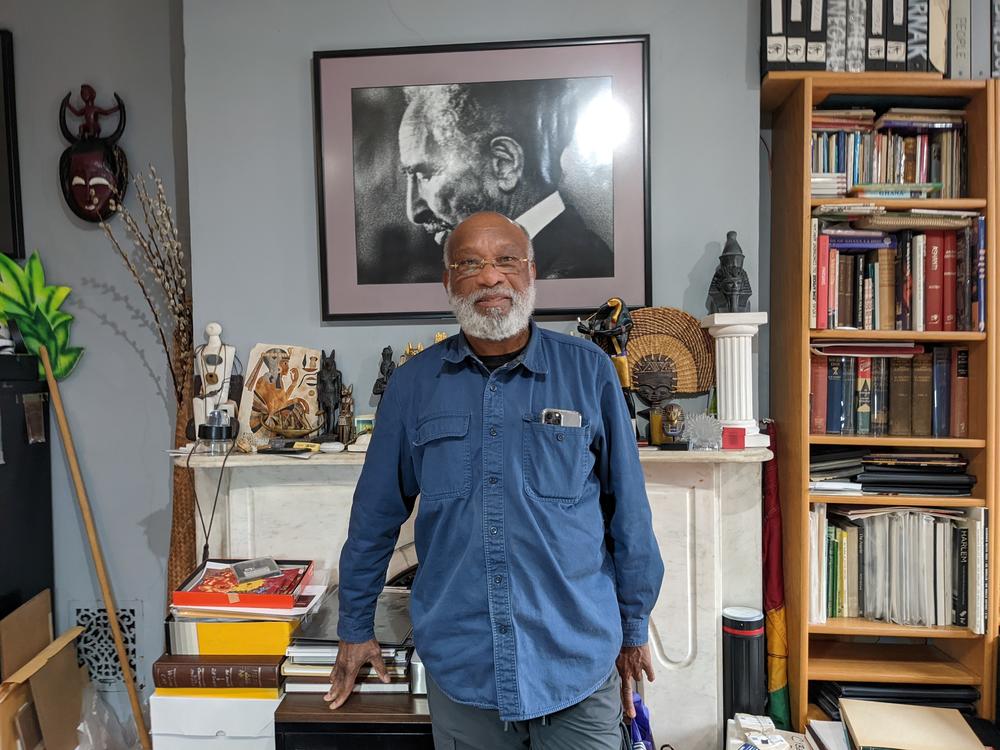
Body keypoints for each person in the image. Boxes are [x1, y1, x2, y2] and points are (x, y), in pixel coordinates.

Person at [325, 211, 663, 749]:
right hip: (463, 670)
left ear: (530, 273)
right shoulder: (413, 387)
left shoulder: (589, 372)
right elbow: (373, 518)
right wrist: (355, 627)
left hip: (575, 661)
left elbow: (629, 513)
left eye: (506, 260)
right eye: (469, 264)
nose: (489, 277)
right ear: (448, 282)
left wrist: (633, 626)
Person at [397, 82, 614, 280]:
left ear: (504, 165)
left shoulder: (576, 272)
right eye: (409, 176)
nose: (413, 211)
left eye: (425, 174)